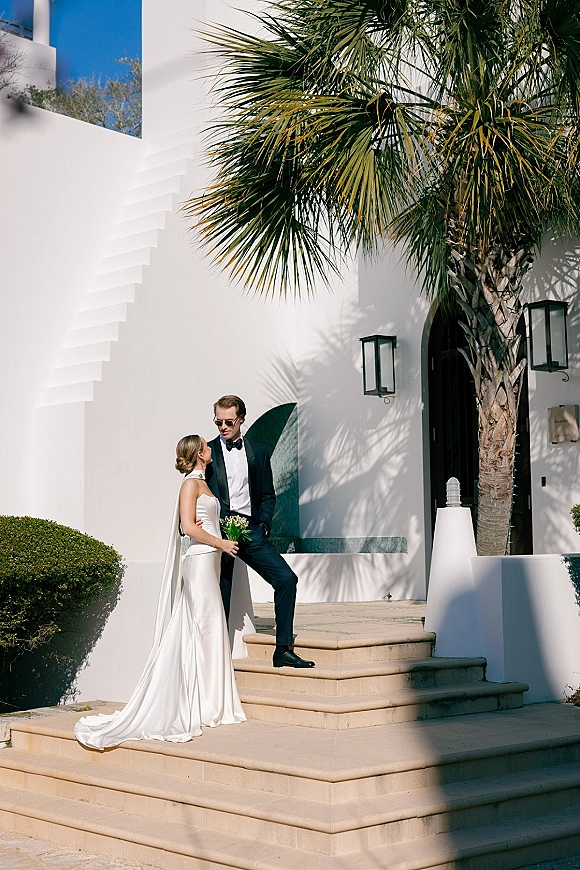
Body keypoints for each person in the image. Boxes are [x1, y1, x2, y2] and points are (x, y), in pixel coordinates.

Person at [74, 435, 246, 750]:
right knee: (202, 625)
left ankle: (213, 702)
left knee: (210, 627)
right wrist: (221, 543)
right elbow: (188, 527)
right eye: (206, 448)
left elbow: (206, 521)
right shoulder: (189, 486)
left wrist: (226, 536)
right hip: (199, 562)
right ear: (198, 454)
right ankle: (203, 703)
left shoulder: (204, 484)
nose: (211, 450)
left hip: (211, 562)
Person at [206, 395, 315, 669]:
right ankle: (215, 660)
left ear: (242, 419)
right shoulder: (206, 452)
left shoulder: (258, 451)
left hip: (251, 532)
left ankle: (283, 649)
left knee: (286, 579)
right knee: (222, 592)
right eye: (218, 421)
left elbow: (268, 494)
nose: (222, 427)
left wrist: (263, 525)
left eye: (228, 421)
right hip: (220, 534)